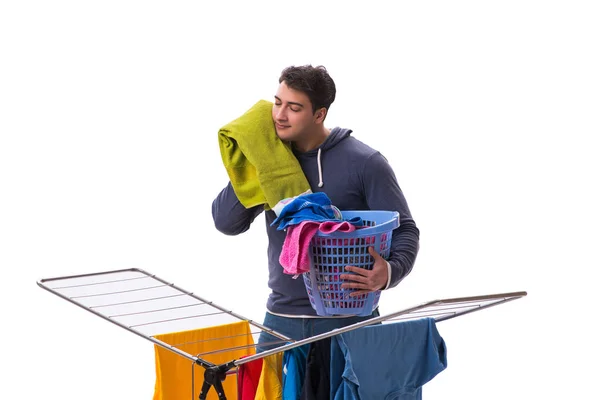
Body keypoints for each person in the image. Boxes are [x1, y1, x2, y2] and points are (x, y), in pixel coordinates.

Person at [212, 64, 420, 349]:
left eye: (294, 108)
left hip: (349, 320)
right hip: (280, 318)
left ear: (319, 114)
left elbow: (405, 228)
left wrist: (391, 272)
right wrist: (255, 160)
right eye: (277, 103)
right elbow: (227, 223)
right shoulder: (271, 162)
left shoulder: (365, 162)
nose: (280, 116)